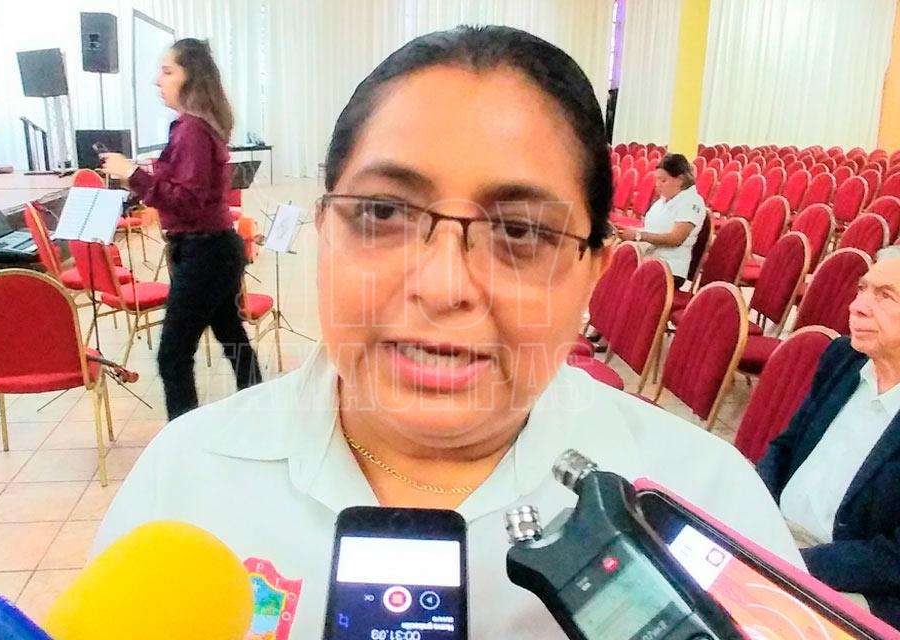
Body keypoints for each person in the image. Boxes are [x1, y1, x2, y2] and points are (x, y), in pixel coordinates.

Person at [93, 27, 800, 637]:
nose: (441, 286)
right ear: (324, 231)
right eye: (383, 213)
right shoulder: (189, 478)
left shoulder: (705, 505)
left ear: (593, 272)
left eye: (520, 231)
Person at [100, 38, 260, 420]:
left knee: (173, 355)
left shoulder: (191, 129)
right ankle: (259, 414)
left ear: (192, 78)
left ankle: (183, 440)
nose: (158, 80)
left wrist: (132, 173)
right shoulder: (197, 126)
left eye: (168, 71)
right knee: (232, 336)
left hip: (205, 252)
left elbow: (186, 200)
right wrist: (138, 174)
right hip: (215, 248)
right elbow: (186, 190)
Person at [758, 253, 900, 627]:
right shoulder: (844, 358)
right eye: (862, 289)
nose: (858, 306)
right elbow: (785, 446)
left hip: (849, 579)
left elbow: (893, 558)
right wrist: (753, 509)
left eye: (885, 295)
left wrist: (787, 560)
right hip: (773, 534)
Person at [617, 153, 706, 289]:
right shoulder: (663, 200)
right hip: (650, 259)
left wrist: (639, 236)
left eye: (663, 180)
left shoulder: (692, 202)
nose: (658, 185)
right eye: (657, 179)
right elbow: (652, 229)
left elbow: (676, 239)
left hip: (670, 268)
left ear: (680, 180)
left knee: (623, 279)